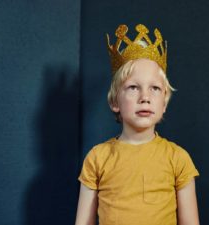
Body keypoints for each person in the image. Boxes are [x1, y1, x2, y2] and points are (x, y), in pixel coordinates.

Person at [75, 24, 200, 225]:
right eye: (133, 87)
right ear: (115, 101)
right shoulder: (97, 158)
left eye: (155, 89)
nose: (145, 97)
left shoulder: (178, 159)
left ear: (164, 102)